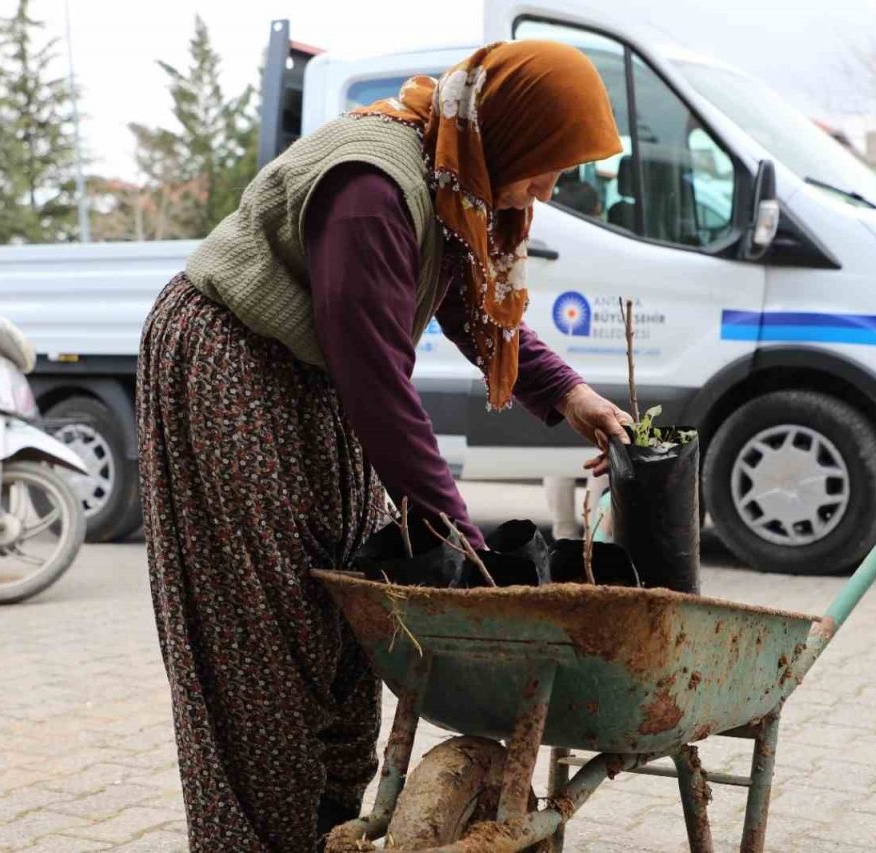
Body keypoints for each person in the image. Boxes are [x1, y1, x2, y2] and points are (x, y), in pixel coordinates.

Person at [136, 39, 633, 852]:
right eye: (549, 163)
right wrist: (467, 549)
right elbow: (378, 387)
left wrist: (567, 393)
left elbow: (474, 305)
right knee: (262, 646)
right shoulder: (373, 188)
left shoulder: (453, 173)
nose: (551, 187)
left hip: (310, 383)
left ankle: (328, 827)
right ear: (506, 132)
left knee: (345, 626)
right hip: (230, 369)